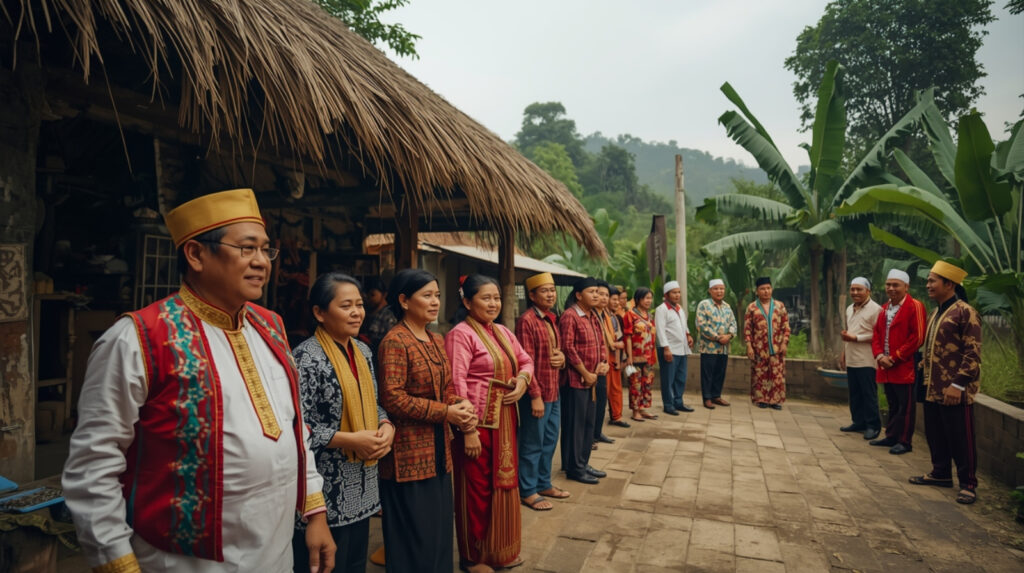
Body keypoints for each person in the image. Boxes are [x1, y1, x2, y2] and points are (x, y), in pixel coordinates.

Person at [62, 188, 335, 572]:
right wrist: (116, 561)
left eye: (265, 250)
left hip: (276, 552)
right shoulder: (138, 338)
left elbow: (296, 426)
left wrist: (315, 511)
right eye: (247, 248)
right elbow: (93, 465)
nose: (261, 262)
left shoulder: (270, 326)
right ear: (195, 254)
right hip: (181, 562)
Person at [292, 272, 395, 572]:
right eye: (346, 305)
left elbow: (374, 403)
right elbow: (299, 428)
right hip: (325, 490)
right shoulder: (306, 358)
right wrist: (350, 440)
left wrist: (386, 426)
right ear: (319, 313)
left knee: (354, 563)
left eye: (359, 305)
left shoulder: (362, 351)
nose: (356, 312)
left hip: (363, 486)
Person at [377, 269, 476, 573]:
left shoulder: (436, 338)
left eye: (437, 295)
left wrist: (458, 403)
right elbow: (393, 398)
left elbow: (445, 389)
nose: (435, 302)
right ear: (404, 300)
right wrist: (446, 412)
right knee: (415, 536)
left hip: (438, 451)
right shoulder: (395, 341)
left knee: (439, 531)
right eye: (427, 295)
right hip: (407, 455)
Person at [446, 274, 533, 572]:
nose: (493, 303)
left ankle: (499, 550)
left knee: (503, 485)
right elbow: (456, 384)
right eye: (486, 298)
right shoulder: (460, 334)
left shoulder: (503, 331)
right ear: (467, 302)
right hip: (477, 424)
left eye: (496, 298)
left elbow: (525, 360)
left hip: (505, 421)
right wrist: (468, 430)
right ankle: (473, 557)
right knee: (477, 490)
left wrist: (522, 381)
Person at [909, 261, 982, 505]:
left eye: (932, 281)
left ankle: (968, 484)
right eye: (928, 281)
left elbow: (973, 354)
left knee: (961, 436)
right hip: (932, 386)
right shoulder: (936, 312)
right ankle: (940, 473)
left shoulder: (965, 312)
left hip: (955, 389)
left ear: (949, 284)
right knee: (935, 433)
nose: (928, 285)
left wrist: (958, 384)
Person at [516, 273, 570, 512]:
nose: (550, 295)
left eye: (552, 290)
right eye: (544, 291)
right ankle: (527, 490)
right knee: (532, 442)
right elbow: (525, 361)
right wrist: (535, 395)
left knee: (549, 441)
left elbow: (557, 352)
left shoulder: (551, 318)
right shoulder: (526, 321)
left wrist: (562, 358)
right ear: (531, 295)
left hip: (554, 390)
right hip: (536, 394)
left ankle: (543, 483)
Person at [559, 277, 610, 485]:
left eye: (598, 292)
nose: (596, 295)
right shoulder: (570, 316)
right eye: (592, 292)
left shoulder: (593, 315)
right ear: (579, 295)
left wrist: (603, 363)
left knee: (589, 423)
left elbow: (601, 343)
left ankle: (582, 462)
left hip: (593, 378)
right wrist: (585, 372)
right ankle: (575, 468)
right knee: (576, 425)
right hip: (576, 380)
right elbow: (568, 347)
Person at [869, 269, 926, 455]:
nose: (891, 288)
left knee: (906, 405)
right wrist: (879, 356)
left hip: (904, 365)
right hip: (885, 365)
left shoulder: (915, 306)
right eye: (888, 285)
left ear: (906, 287)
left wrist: (895, 357)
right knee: (892, 402)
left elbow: (918, 337)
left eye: (896, 285)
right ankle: (891, 435)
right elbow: (876, 334)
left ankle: (905, 441)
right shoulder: (885, 308)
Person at [839, 277, 883, 440]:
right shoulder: (849, 308)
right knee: (855, 393)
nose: (855, 292)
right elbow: (849, 331)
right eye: (852, 289)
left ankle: (873, 425)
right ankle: (858, 422)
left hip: (867, 359)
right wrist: (843, 353)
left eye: (859, 289)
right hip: (851, 357)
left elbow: (878, 336)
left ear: (868, 291)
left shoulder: (876, 310)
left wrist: (856, 338)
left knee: (868, 393)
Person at [744, 276, 791, 410]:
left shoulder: (779, 306)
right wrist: (749, 346)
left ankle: (775, 400)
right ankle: (761, 399)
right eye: (762, 289)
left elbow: (786, 326)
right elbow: (747, 329)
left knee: (777, 374)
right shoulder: (752, 307)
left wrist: (784, 343)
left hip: (777, 346)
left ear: (772, 289)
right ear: (757, 291)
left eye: (768, 288)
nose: (766, 291)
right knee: (759, 373)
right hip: (759, 347)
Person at [695, 278, 737, 409]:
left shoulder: (727, 306)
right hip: (709, 347)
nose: (719, 291)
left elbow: (733, 323)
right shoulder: (704, 305)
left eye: (721, 289)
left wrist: (729, 335)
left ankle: (716, 396)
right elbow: (701, 325)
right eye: (716, 289)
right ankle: (707, 398)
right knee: (707, 373)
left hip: (724, 347)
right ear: (710, 290)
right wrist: (718, 337)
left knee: (720, 372)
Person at [655, 280, 695, 415]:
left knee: (680, 378)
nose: (677, 295)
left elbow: (684, 325)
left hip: (682, 349)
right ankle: (668, 404)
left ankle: (678, 402)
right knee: (668, 379)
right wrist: (666, 348)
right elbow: (660, 330)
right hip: (669, 349)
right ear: (666, 295)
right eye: (674, 293)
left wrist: (688, 335)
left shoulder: (679, 308)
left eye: (678, 292)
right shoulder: (662, 309)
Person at [624, 287, 658, 422]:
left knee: (647, 383)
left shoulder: (650, 316)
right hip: (636, 356)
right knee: (635, 384)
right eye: (646, 298)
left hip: (649, 356)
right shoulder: (630, 315)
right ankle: (635, 411)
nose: (649, 301)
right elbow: (627, 337)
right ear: (638, 299)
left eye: (650, 298)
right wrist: (629, 356)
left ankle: (643, 408)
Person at [592, 281, 618, 444]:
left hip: (605, 363)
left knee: (602, 401)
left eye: (606, 295)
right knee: (593, 403)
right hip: (593, 366)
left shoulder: (605, 316)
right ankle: (590, 436)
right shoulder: (591, 314)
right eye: (600, 294)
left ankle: (597, 432)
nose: (603, 298)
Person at [605, 287, 630, 428]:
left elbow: (620, 338)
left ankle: (617, 416)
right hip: (606, 356)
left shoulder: (615, 317)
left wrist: (621, 360)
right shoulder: (603, 316)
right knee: (606, 390)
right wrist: (615, 345)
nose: (616, 302)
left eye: (617, 300)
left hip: (615, 357)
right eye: (613, 299)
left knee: (616, 388)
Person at [360, 277, 397, 354]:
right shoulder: (366, 312)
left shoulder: (389, 315)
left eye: (372, 295)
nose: (368, 298)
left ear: (384, 294)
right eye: (366, 295)